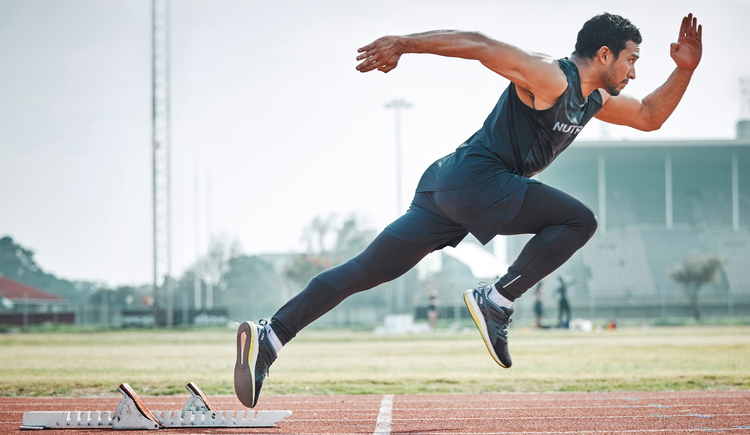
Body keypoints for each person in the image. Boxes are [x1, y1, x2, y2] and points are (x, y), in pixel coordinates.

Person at [234, 13, 703, 408]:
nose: (634, 73)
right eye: (632, 60)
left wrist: (685, 70)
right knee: (579, 220)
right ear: (604, 55)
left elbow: (648, 116)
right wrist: (403, 43)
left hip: (449, 187)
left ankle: (270, 336)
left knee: (365, 270)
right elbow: (480, 45)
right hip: (479, 180)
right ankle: (494, 301)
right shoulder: (551, 76)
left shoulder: (594, 99)